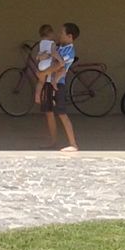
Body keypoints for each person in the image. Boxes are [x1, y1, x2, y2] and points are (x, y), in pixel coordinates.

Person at [41, 22, 81, 153]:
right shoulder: (58, 47)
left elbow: (60, 66)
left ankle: (73, 144)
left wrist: (44, 72)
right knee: (48, 111)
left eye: (62, 33)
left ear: (70, 36)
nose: (59, 35)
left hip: (59, 85)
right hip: (48, 83)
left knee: (62, 113)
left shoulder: (70, 51)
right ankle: (53, 141)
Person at [31, 23, 57, 100]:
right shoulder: (52, 43)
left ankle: (37, 95)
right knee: (52, 80)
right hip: (48, 63)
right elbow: (54, 53)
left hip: (41, 64)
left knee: (41, 81)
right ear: (50, 33)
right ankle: (52, 97)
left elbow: (40, 54)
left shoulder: (41, 43)